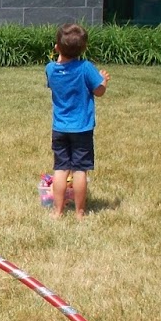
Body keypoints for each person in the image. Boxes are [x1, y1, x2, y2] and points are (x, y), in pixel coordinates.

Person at [45, 22, 109, 219]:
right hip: (82, 128)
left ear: (57, 47)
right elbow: (99, 92)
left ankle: (58, 211)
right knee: (80, 170)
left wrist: (60, 53)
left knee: (61, 168)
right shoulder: (86, 68)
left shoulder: (50, 69)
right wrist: (103, 80)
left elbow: (56, 75)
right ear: (83, 48)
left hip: (60, 128)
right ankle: (80, 212)